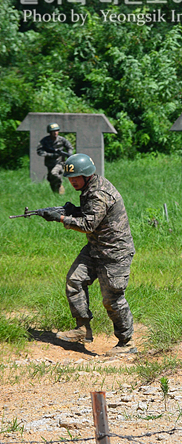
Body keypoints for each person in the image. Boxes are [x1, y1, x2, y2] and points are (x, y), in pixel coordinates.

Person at [40, 153, 136, 354]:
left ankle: (126, 343)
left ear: (87, 175)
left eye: (76, 178)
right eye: (70, 179)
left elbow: (88, 224)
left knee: (113, 298)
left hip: (114, 252)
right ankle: (83, 329)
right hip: (96, 247)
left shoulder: (98, 193)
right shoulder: (89, 187)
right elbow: (90, 214)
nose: (73, 182)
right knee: (74, 280)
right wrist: (72, 210)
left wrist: (61, 218)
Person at [36, 122, 74, 195]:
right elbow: (39, 151)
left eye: (56, 131)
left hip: (60, 162)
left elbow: (69, 147)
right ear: (50, 132)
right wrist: (51, 154)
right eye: (53, 131)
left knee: (54, 173)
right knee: (51, 179)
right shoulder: (45, 141)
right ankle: (56, 194)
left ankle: (60, 184)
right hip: (49, 163)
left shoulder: (62, 140)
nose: (55, 133)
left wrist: (69, 154)